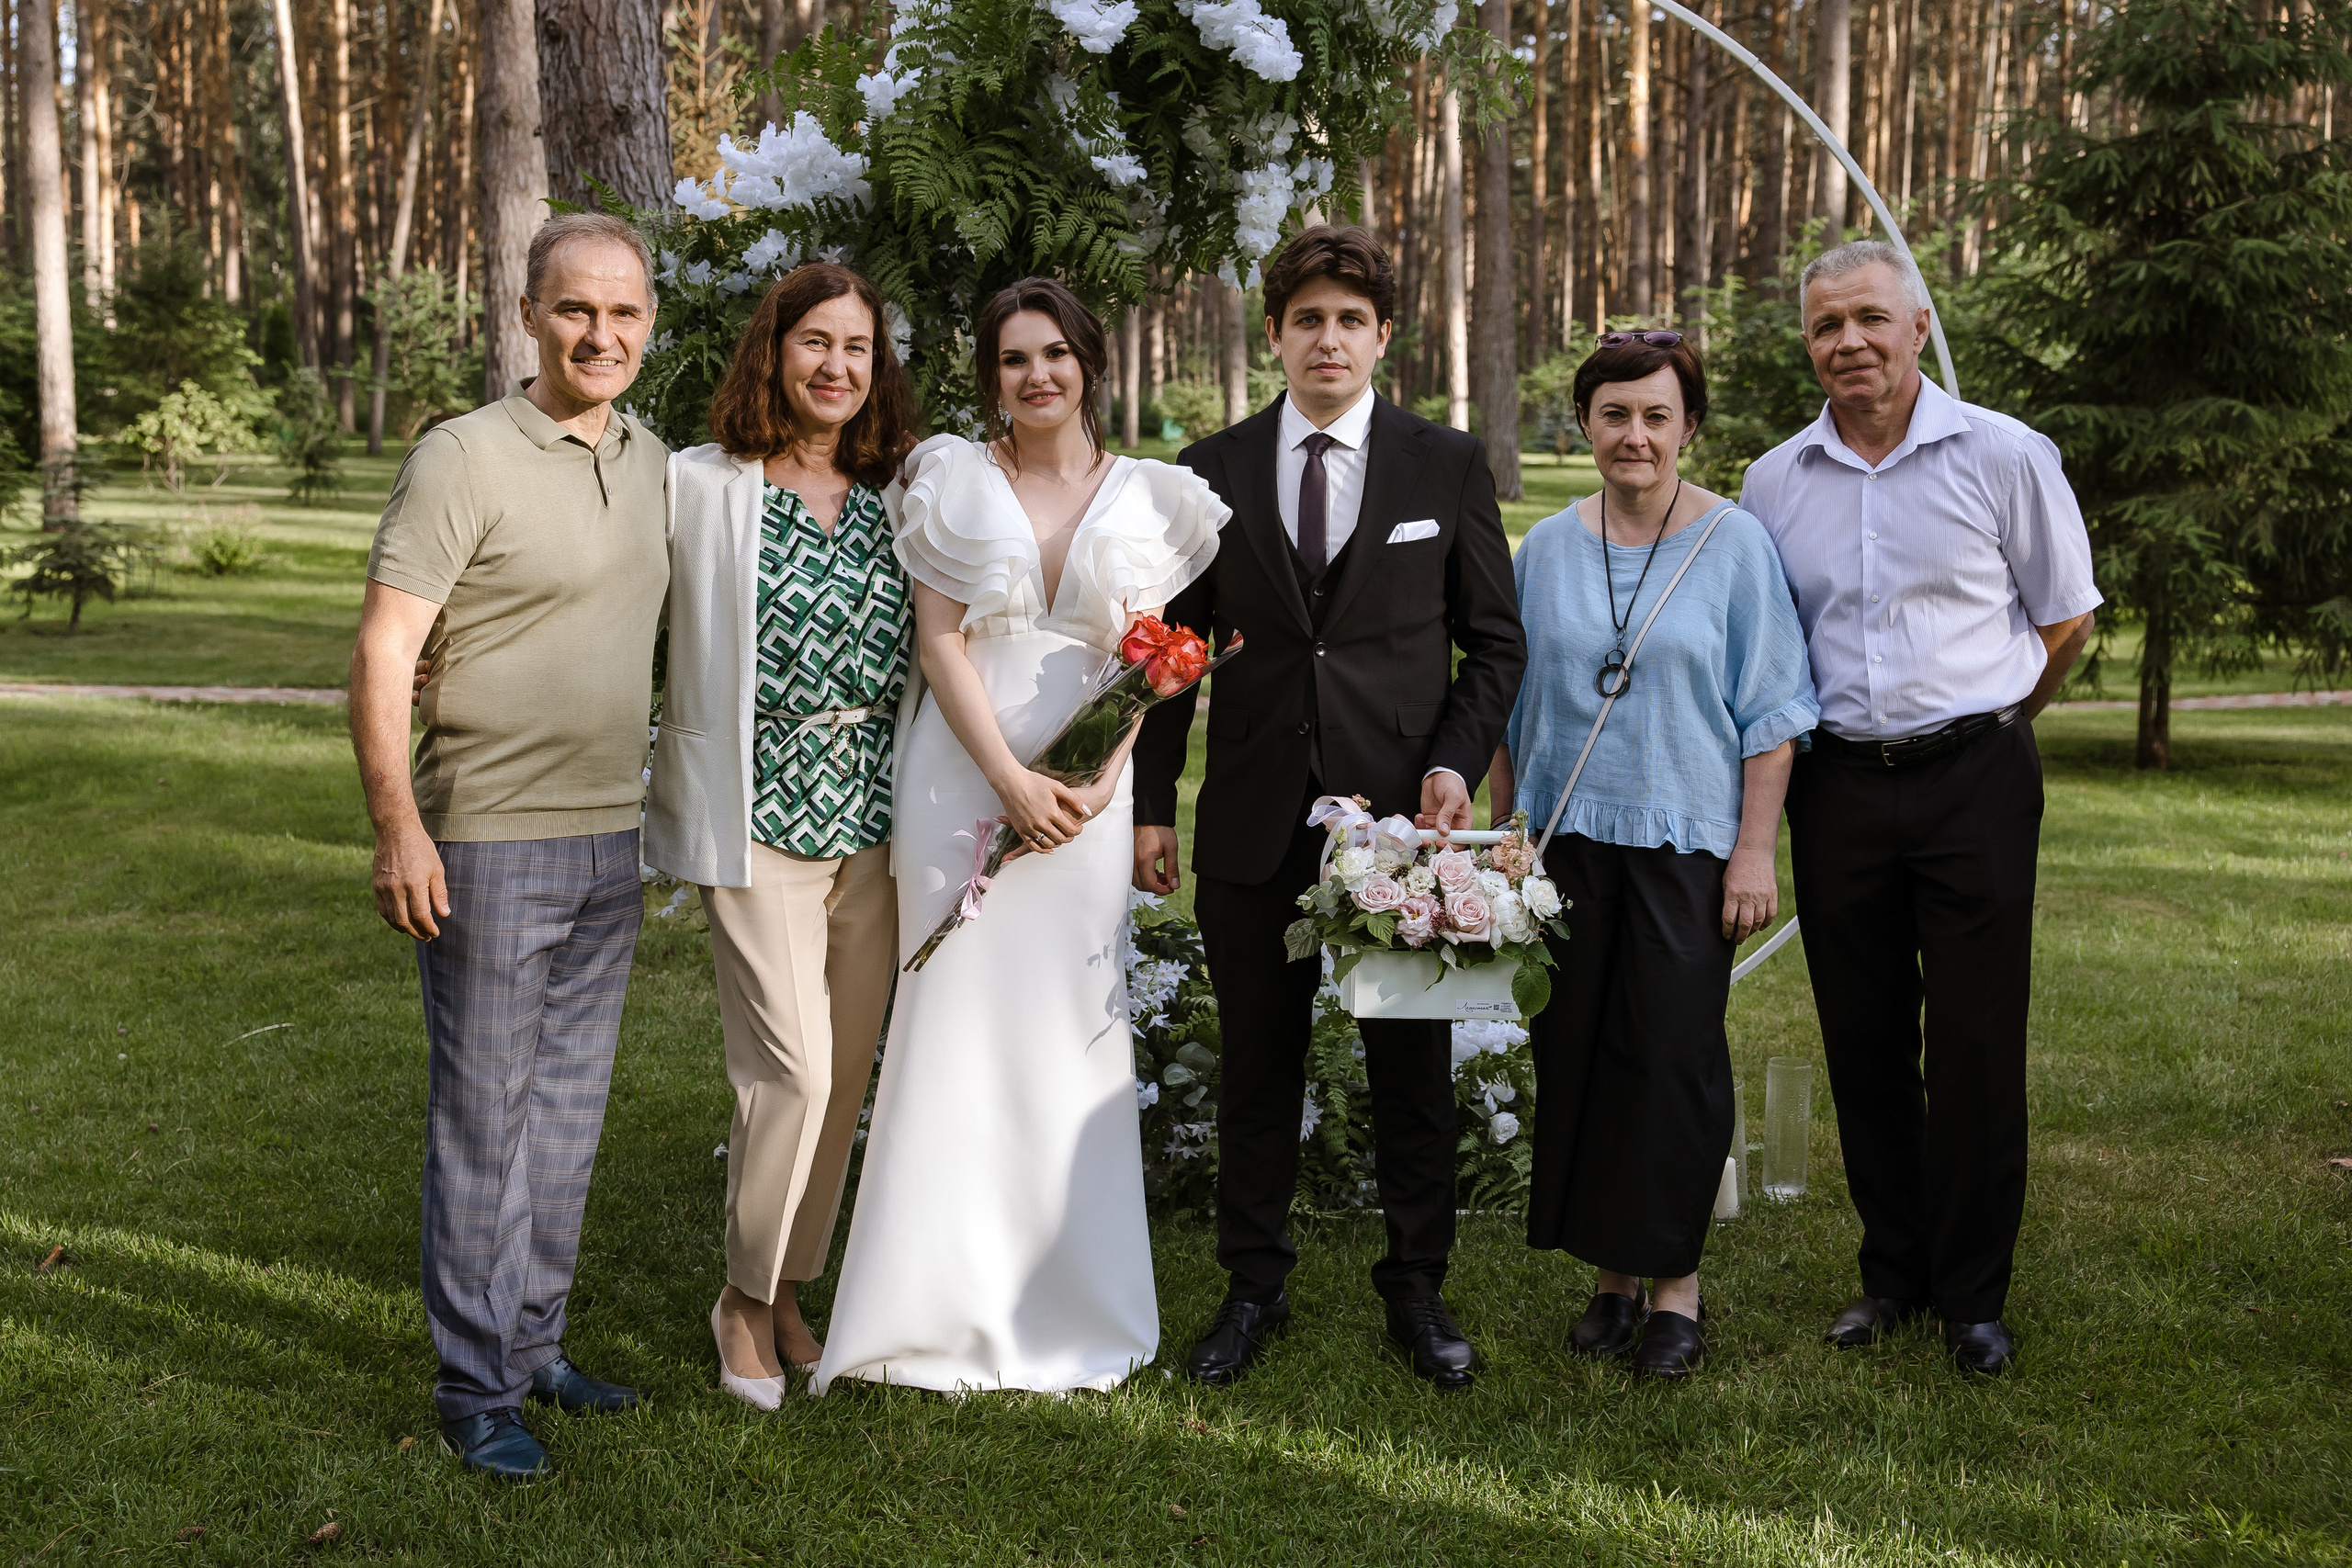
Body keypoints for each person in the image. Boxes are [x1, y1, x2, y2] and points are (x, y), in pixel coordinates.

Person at [809, 277, 1230, 1395]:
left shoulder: (1157, 497)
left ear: (1088, 361)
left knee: (1064, 1036)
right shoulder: (951, 475)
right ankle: (926, 1307)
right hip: (959, 782)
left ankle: (1071, 1299)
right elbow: (940, 644)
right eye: (1011, 360)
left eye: (1054, 353)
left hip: (1082, 812)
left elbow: (1156, 667)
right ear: (989, 375)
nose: (1035, 376)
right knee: (947, 1023)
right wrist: (1007, 777)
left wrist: (1097, 785)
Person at [1132, 226, 1526, 1392]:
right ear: (1275, 336)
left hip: (1401, 832)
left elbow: (1494, 644)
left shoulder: (1441, 465)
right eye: (1307, 319)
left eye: (1350, 320)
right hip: (1253, 820)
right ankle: (1253, 1288)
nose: (1328, 339)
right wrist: (1152, 803)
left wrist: (1454, 765)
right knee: (1260, 1068)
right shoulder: (1210, 468)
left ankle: (1417, 1287)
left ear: (1383, 337)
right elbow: (1175, 654)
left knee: (1409, 1071)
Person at [1738, 240, 2100, 1377]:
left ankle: (1973, 1297)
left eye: (1867, 319)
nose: (1846, 342)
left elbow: (2064, 619)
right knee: (1863, 1035)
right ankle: (1891, 1273)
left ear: (1918, 324)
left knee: (1979, 1041)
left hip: (1975, 777)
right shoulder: (1773, 480)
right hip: (1838, 785)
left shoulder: (2003, 453)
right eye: (1823, 327)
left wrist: (1999, 725)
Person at [349, 213, 668, 1481]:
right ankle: (475, 1385)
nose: (602, 334)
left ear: (650, 325)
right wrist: (397, 826)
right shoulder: (461, 456)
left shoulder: (653, 461)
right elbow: (383, 648)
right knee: (486, 1118)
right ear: (531, 314)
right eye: (577, 310)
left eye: (626, 313)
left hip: (611, 838)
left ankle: (535, 1346)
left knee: (567, 1115)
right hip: (482, 839)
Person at [1489, 331, 1818, 1379]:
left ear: (1689, 428)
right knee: (1576, 1054)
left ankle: (1675, 1287)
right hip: (1566, 844)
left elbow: (1772, 714)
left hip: (1686, 845)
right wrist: (1510, 832)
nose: (1635, 435)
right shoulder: (1541, 548)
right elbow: (1510, 702)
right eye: (1614, 415)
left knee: (1670, 1061)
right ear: (1583, 424)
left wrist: (1753, 856)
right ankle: (1610, 1280)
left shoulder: (1733, 545)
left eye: (1656, 416)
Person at [642, 263, 916, 1410]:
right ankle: (741, 1302)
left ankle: (795, 1285)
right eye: (814, 342)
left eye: (855, 348)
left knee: (844, 1078)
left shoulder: (901, 493)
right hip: (753, 809)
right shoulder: (701, 485)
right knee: (790, 1073)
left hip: (876, 819)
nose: (835, 367)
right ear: (773, 350)